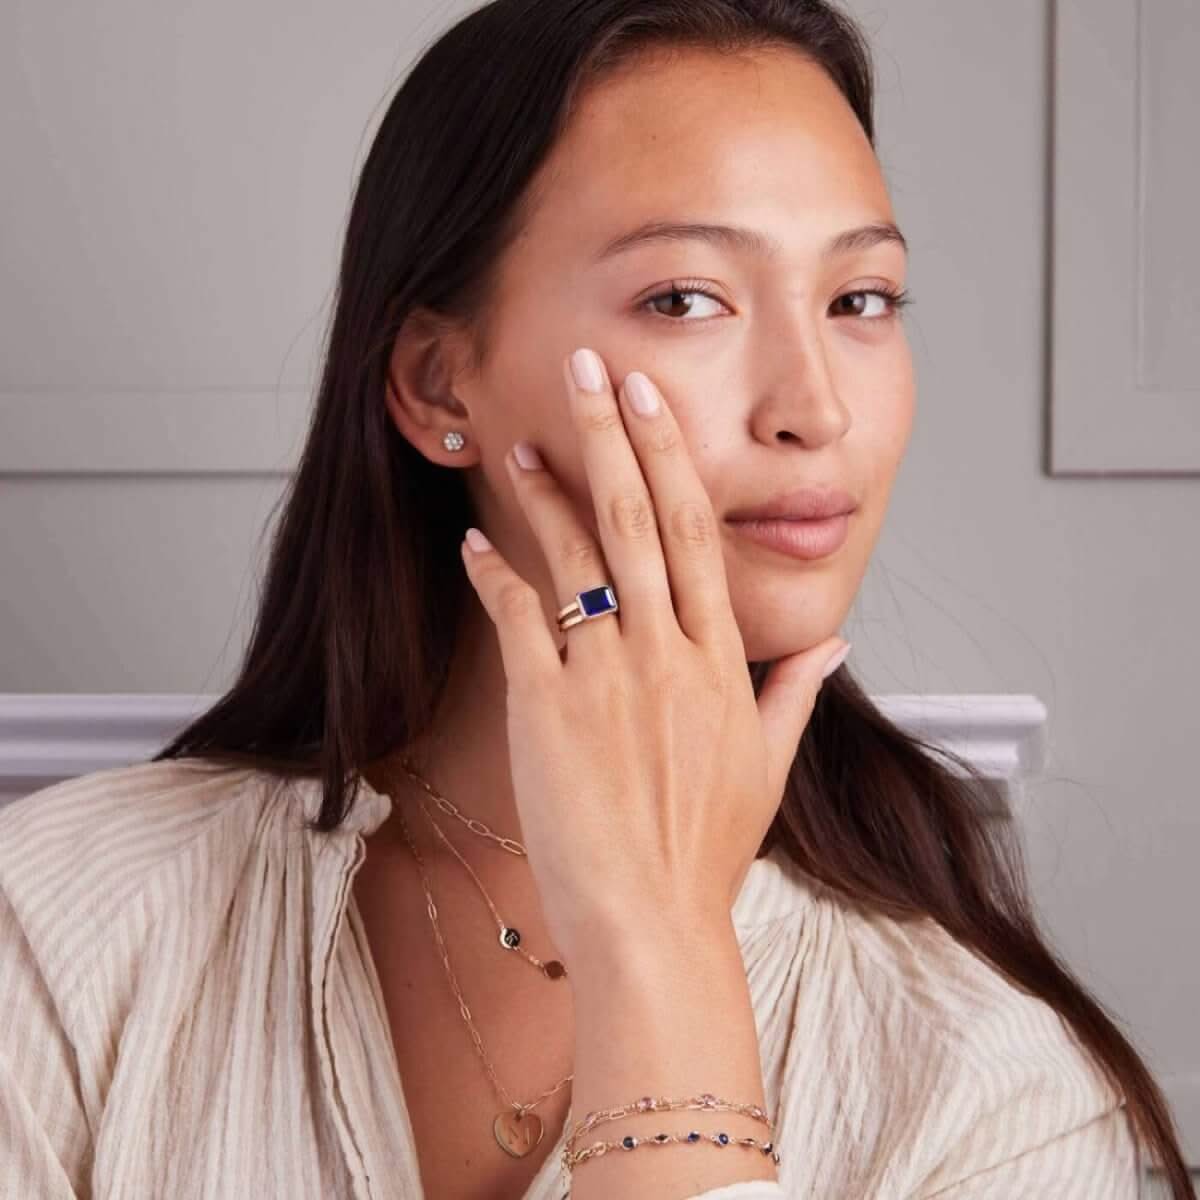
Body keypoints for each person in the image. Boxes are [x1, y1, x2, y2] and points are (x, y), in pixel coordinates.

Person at [1, 1, 1192, 1197]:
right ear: (435, 382)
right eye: (686, 299)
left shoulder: (995, 1093)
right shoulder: (60, 935)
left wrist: (661, 952)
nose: (814, 409)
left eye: (861, 300)